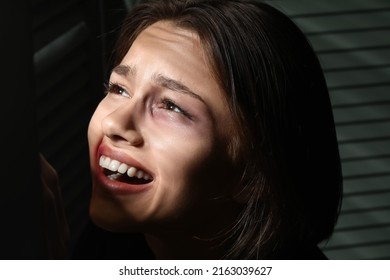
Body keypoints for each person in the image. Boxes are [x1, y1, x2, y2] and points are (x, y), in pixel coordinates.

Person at [86, 0, 343, 259]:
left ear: (252, 175)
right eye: (119, 89)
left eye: (172, 107)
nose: (114, 123)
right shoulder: (112, 241)